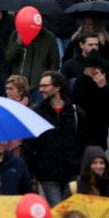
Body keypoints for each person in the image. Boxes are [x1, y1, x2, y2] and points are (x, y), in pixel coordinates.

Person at [26, 71, 85, 205]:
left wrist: (80, 167)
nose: (41, 89)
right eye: (41, 86)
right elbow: (29, 145)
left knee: (71, 211)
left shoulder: (76, 112)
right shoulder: (36, 113)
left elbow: (83, 142)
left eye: (45, 86)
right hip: (47, 174)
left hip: (71, 172)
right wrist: (31, 174)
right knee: (58, 209)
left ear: (57, 87)